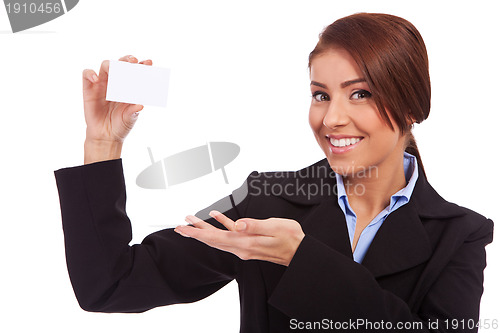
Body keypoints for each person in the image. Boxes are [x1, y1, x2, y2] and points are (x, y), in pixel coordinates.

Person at [55, 13, 493, 332]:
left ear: (413, 107)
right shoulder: (267, 199)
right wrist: (103, 143)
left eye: (360, 93)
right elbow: (110, 284)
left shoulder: (460, 234)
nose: (331, 119)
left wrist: (302, 260)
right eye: (320, 95)